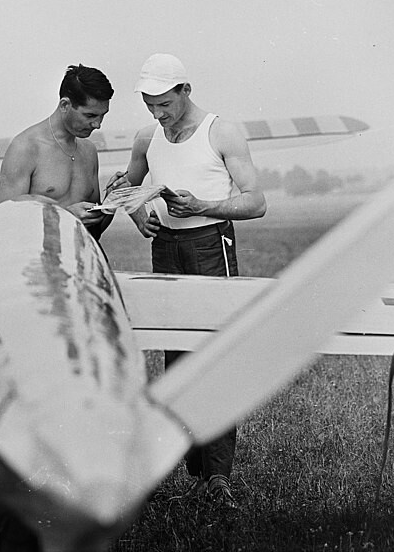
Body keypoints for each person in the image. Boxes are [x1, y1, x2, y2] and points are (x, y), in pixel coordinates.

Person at [111, 53, 267, 509]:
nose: (158, 114)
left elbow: (256, 202)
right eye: (149, 105)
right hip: (166, 249)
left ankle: (218, 478)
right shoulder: (147, 137)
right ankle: (194, 467)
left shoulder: (222, 132)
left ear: (185, 90)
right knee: (176, 355)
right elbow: (125, 186)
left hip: (210, 244)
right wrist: (140, 213)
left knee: (215, 356)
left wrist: (203, 206)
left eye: (165, 103)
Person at [0, 64, 115, 241]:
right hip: (41, 262)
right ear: (65, 105)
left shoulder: (88, 151)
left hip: (82, 260)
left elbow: (94, 233)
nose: (98, 125)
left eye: (102, 115)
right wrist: (65, 216)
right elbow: (3, 222)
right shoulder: (26, 148)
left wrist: (112, 201)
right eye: (90, 116)